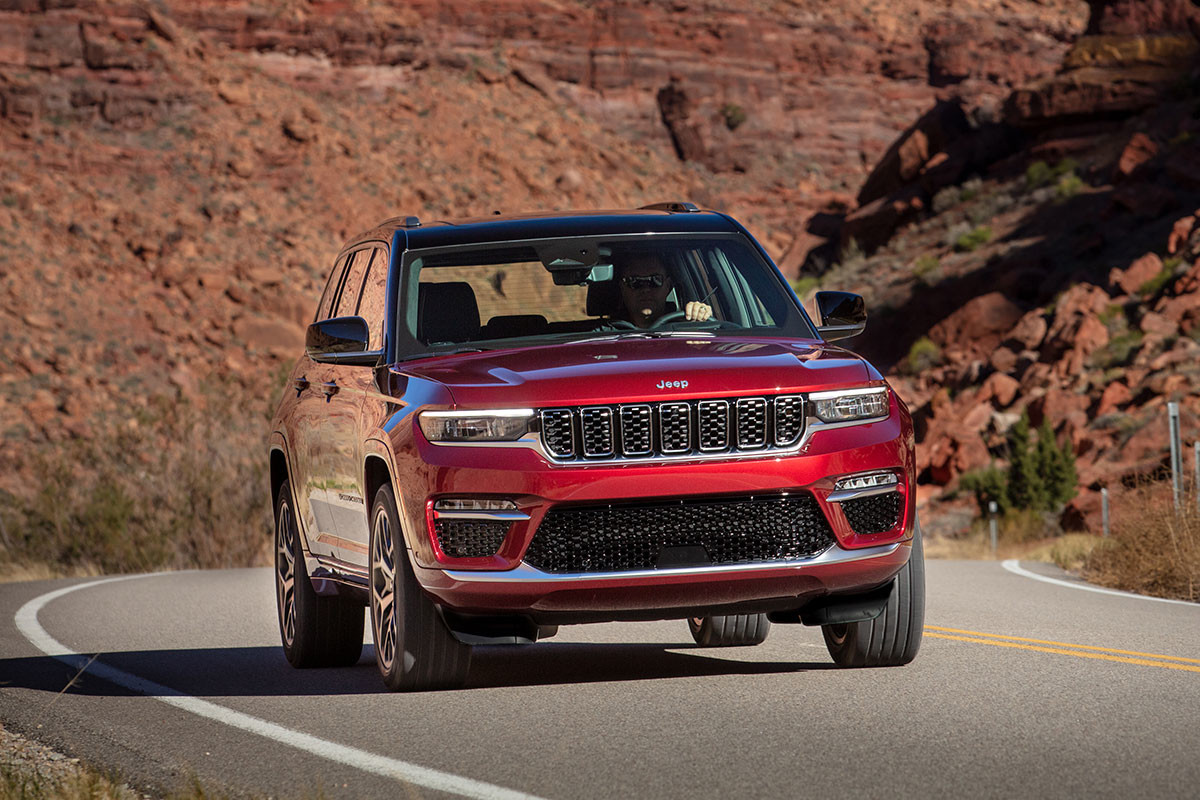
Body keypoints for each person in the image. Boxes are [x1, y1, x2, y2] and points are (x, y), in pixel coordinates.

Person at [613, 251, 712, 328]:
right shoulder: (602, 334)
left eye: (655, 280)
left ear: (668, 286)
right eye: (635, 282)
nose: (646, 289)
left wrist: (701, 316)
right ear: (622, 288)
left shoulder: (686, 326)